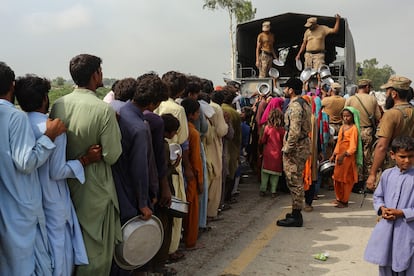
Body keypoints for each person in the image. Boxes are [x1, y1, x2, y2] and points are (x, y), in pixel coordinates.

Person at [14, 75, 104, 276]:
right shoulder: (54, 127)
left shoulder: (19, 124)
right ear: (45, 99)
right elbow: (57, 171)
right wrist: (85, 160)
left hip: (31, 199)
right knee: (60, 252)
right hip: (53, 199)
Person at [50, 54, 123, 275]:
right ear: (95, 75)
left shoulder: (58, 105)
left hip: (67, 184)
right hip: (96, 186)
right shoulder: (103, 110)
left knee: (71, 247)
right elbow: (112, 155)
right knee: (96, 251)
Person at [0, 62, 66, 275]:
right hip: (19, 205)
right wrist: (49, 137)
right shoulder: (15, 117)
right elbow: (26, 162)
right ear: (12, 86)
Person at [110, 73, 167, 276]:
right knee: (128, 247)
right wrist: (143, 202)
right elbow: (140, 169)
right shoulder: (139, 128)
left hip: (114, 186)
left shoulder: (119, 110)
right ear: (152, 103)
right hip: (130, 194)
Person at [364, 136, 414, 275]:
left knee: (407, 263)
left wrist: (403, 213)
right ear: (392, 155)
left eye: (411, 156)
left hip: (408, 231)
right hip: (387, 229)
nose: (407, 160)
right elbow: (378, 196)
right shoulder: (387, 175)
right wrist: (382, 209)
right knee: (386, 263)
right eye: (402, 156)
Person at [155, 71, 188, 262]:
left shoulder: (157, 104)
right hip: (173, 158)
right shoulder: (178, 109)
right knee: (175, 205)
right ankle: (171, 248)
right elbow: (182, 139)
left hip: (157, 157)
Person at [366, 76, 414, 191]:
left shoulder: (391, 114)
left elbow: (382, 146)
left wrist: (372, 174)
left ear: (394, 94)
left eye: (387, 91)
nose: (386, 94)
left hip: (393, 165)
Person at [276, 77, 311, 227]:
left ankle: (296, 215)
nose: (284, 90)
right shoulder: (304, 103)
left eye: (286, 88)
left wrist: (287, 149)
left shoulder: (296, 106)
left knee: (294, 180)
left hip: (296, 147)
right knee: (296, 178)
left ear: (291, 90)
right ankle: (295, 210)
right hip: (302, 145)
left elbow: (294, 131)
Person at [345, 79, 381, 193]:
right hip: (367, 131)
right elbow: (378, 117)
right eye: (369, 87)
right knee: (367, 157)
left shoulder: (350, 99)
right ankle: (367, 183)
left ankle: (355, 183)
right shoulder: (372, 99)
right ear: (366, 87)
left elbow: (344, 115)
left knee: (354, 157)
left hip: (352, 131)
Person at [180, 98, 204, 250]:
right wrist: (200, 180)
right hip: (191, 175)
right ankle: (190, 241)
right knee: (192, 209)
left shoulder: (182, 129)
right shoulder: (193, 133)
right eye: (197, 113)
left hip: (180, 171)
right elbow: (196, 160)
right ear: (192, 114)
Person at [329, 107, 363, 208]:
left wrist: (343, 155)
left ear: (353, 117)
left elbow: (353, 147)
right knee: (336, 178)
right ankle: (339, 198)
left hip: (347, 157)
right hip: (339, 156)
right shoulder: (342, 127)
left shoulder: (354, 129)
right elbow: (339, 142)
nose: (346, 118)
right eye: (344, 116)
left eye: (348, 116)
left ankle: (344, 200)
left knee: (345, 180)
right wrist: (334, 154)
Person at [259, 108, 285, 198]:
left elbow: (263, 140)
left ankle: (263, 189)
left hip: (268, 153)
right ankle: (273, 191)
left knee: (265, 173)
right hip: (278, 153)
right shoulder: (282, 130)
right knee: (275, 174)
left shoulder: (267, 128)